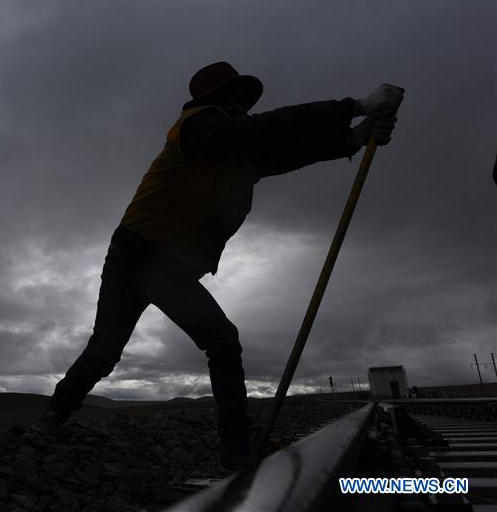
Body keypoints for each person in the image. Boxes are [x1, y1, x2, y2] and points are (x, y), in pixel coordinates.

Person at [30, 61, 404, 473]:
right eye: (235, 97)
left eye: (245, 97)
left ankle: (234, 450)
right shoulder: (194, 128)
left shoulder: (238, 155)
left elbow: (289, 152)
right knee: (126, 350)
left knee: (169, 346)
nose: (243, 104)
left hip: (165, 264)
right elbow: (267, 129)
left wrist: (352, 138)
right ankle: (58, 418)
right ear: (215, 102)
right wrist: (354, 106)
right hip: (140, 256)